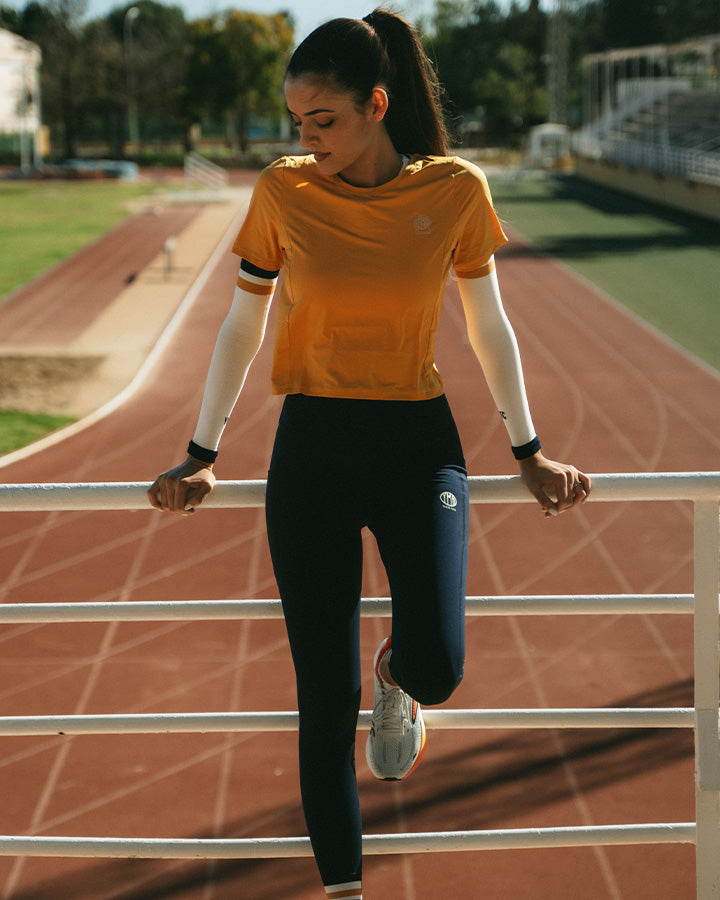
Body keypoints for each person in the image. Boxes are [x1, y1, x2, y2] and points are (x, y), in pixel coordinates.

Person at [148, 9, 591, 899]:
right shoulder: (283, 192)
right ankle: (344, 889)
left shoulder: (455, 189)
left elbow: (489, 325)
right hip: (312, 447)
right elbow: (242, 325)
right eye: (297, 122)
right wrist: (200, 450)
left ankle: (397, 675)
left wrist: (529, 449)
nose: (306, 140)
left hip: (416, 444)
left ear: (376, 105)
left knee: (440, 666)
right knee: (323, 703)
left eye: (324, 121)